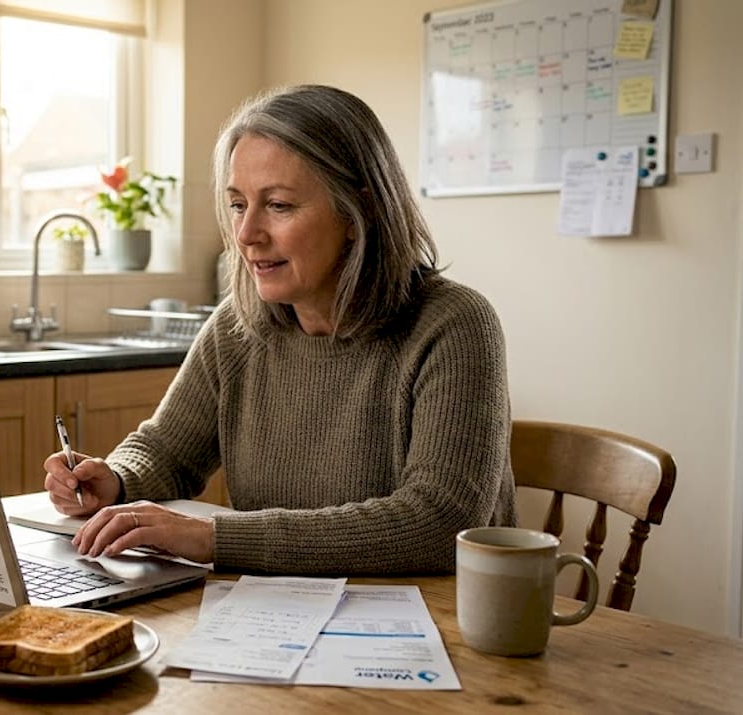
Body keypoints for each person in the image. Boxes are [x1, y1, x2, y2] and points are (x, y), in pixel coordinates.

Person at [44, 85, 518, 575]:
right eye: (237, 204)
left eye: (279, 205)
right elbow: (165, 450)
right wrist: (116, 479)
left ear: (361, 212)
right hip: (278, 614)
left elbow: (439, 524)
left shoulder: (454, 325)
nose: (246, 234)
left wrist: (215, 538)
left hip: (435, 624)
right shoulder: (237, 326)